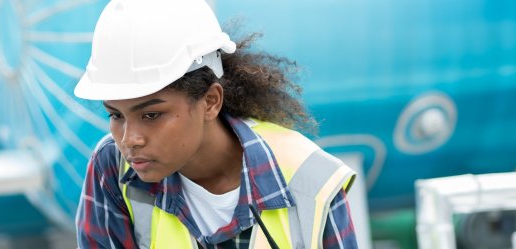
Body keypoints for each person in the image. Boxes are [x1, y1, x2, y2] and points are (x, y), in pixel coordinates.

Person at [73, 0, 358, 248]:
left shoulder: (310, 180)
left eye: (151, 115)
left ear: (210, 101)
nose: (129, 140)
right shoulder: (112, 166)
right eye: (116, 115)